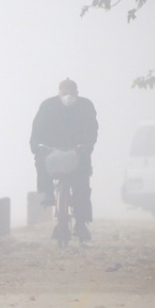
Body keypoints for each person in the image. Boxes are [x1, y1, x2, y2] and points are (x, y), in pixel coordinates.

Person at [30, 78, 98, 241]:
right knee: (40, 161)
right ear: (59, 93)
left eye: (72, 93)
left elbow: (92, 129)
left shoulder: (86, 106)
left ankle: (81, 223)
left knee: (81, 186)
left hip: (78, 151)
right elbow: (36, 130)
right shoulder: (47, 106)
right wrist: (37, 147)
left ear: (77, 93)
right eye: (65, 93)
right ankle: (47, 192)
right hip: (52, 151)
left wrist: (87, 146)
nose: (68, 96)